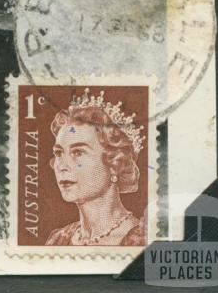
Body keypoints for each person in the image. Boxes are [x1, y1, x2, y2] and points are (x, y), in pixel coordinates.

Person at [45, 89, 147, 246]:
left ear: (115, 164)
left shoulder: (142, 240)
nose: (62, 166)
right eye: (59, 152)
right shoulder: (57, 239)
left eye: (78, 152)